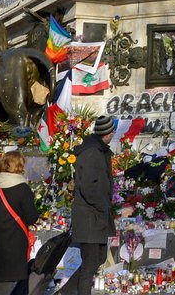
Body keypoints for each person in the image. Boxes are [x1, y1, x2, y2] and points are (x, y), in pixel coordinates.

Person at [65, 117, 116, 295]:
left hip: (96, 214)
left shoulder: (99, 150)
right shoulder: (92, 152)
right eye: (112, 132)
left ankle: (67, 291)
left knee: (98, 258)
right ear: (108, 134)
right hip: (90, 215)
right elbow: (88, 186)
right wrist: (102, 206)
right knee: (90, 263)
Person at [0, 151, 39, 295]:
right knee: (8, 287)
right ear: (20, 166)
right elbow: (31, 217)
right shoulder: (22, 188)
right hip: (12, 247)